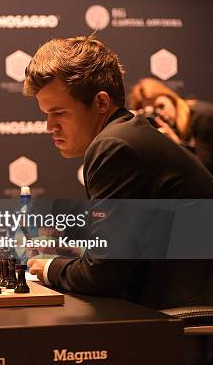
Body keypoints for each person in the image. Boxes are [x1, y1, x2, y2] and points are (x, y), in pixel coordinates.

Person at [22, 36, 213, 309]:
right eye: (46, 115)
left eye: (59, 113)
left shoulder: (115, 145)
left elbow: (104, 274)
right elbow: (116, 255)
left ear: (101, 103)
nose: (49, 126)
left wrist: (49, 267)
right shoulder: (128, 134)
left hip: (181, 323)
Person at [129, 77, 213, 174]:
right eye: (152, 113)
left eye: (161, 106)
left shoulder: (203, 116)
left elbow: (205, 171)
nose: (160, 114)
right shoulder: (157, 129)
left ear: (171, 98)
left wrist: (176, 144)